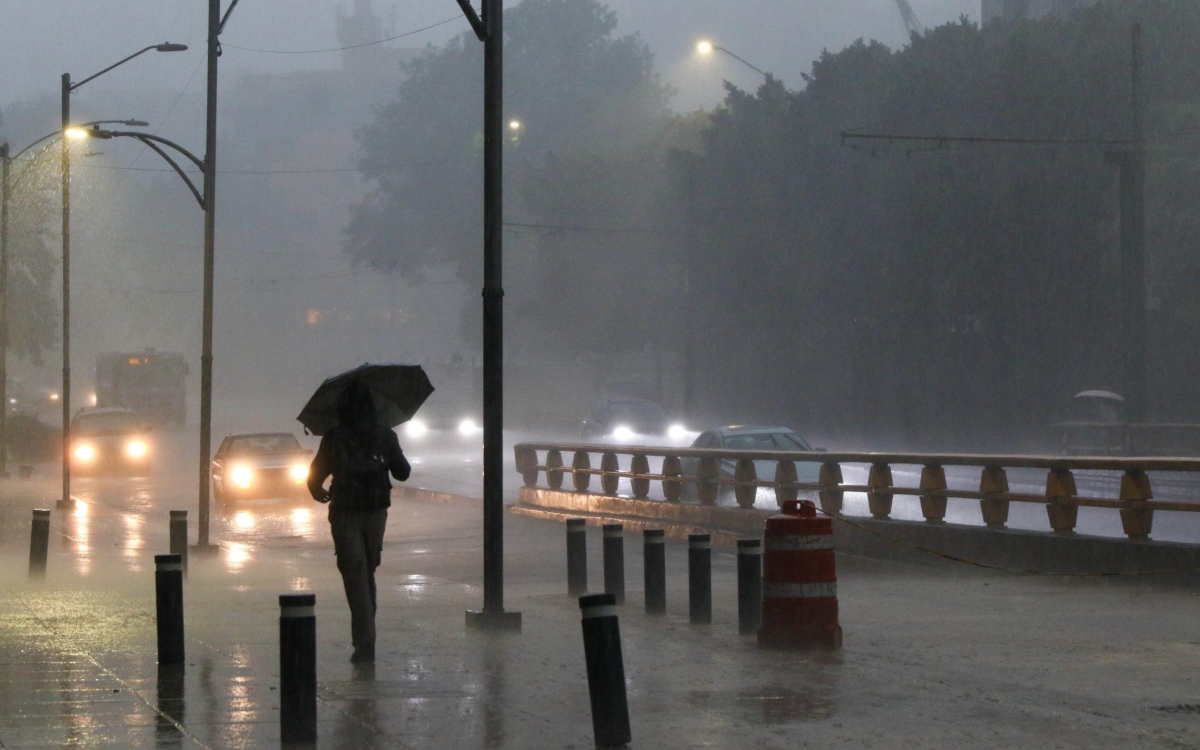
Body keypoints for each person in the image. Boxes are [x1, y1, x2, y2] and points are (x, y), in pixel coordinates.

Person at [308, 381, 410, 663]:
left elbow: (314, 477)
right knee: (367, 572)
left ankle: (365, 642)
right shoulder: (385, 436)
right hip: (376, 511)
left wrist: (320, 492)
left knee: (355, 574)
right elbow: (403, 473)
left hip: (345, 512)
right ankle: (367, 638)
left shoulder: (334, 437)